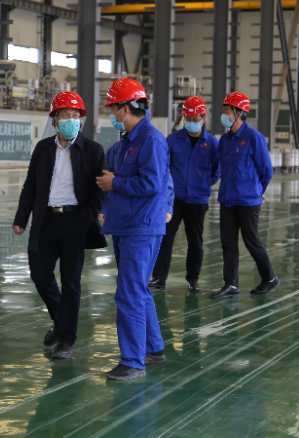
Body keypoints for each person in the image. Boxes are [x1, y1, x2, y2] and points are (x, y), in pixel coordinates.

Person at [13, 91, 106, 360]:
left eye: (75, 116)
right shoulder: (43, 149)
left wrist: (89, 216)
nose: (71, 120)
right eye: (65, 115)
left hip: (75, 222)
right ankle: (61, 322)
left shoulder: (93, 151)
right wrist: (21, 219)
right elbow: (31, 186)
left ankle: (66, 339)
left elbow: (99, 190)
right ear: (54, 120)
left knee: (71, 282)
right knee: (40, 275)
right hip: (45, 220)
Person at [96, 77, 172, 381]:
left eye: (114, 108)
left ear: (126, 108)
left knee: (128, 293)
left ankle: (132, 361)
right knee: (138, 289)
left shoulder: (151, 141)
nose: (112, 114)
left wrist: (115, 183)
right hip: (127, 225)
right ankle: (153, 347)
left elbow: (152, 183)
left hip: (141, 227)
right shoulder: (125, 144)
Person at [211, 91, 278, 299]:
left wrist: (256, 191)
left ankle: (269, 278)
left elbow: (266, 171)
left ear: (239, 113)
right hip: (227, 199)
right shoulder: (225, 140)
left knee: (252, 242)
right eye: (224, 110)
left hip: (248, 201)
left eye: (227, 110)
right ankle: (231, 284)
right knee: (228, 243)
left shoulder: (253, 138)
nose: (224, 114)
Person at [150, 96, 219, 292]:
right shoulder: (173, 141)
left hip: (198, 200)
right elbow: (164, 167)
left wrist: (203, 185)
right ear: (183, 117)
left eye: (195, 119)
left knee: (195, 241)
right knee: (165, 237)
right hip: (174, 200)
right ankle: (159, 278)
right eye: (188, 119)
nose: (192, 122)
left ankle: (193, 279)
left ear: (203, 118)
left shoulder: (211, 143)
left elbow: (217, 169)